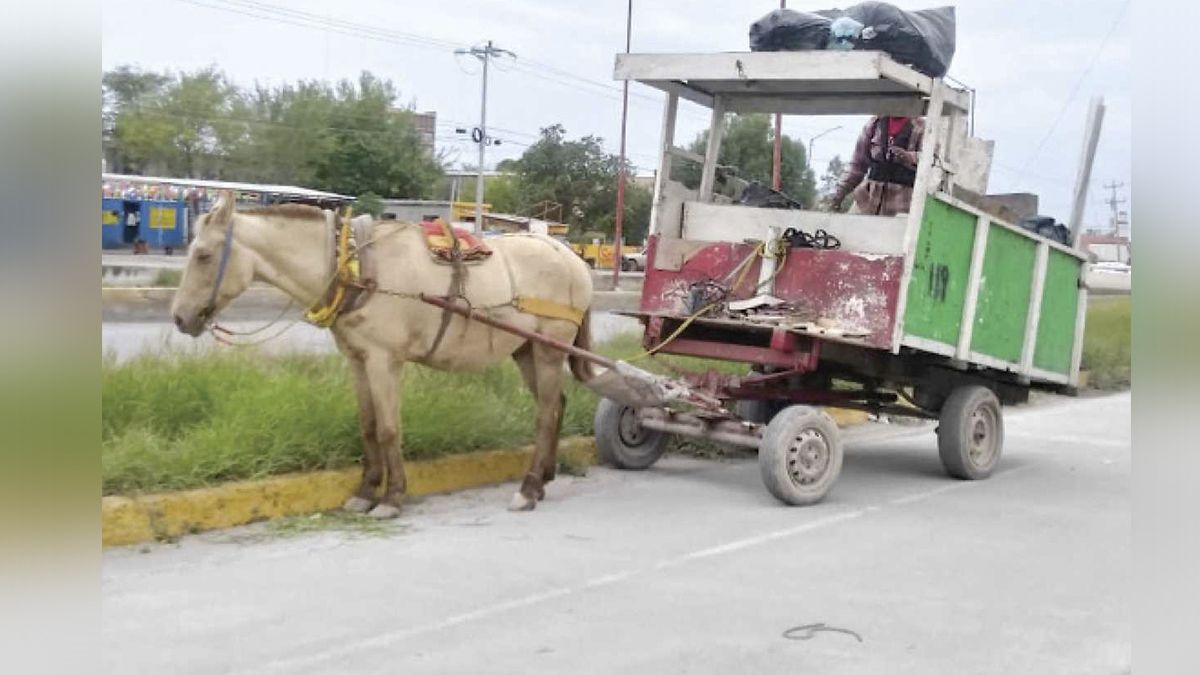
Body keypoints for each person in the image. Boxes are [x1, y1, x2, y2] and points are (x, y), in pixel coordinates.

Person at [825, 116, 925, 216]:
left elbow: (932, 161)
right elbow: (857, 165)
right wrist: (838, 194)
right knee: (849, 227)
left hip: (903, 204)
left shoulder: (922, 127)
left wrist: (910, 157)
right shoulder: (874, 124)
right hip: (866, 201)